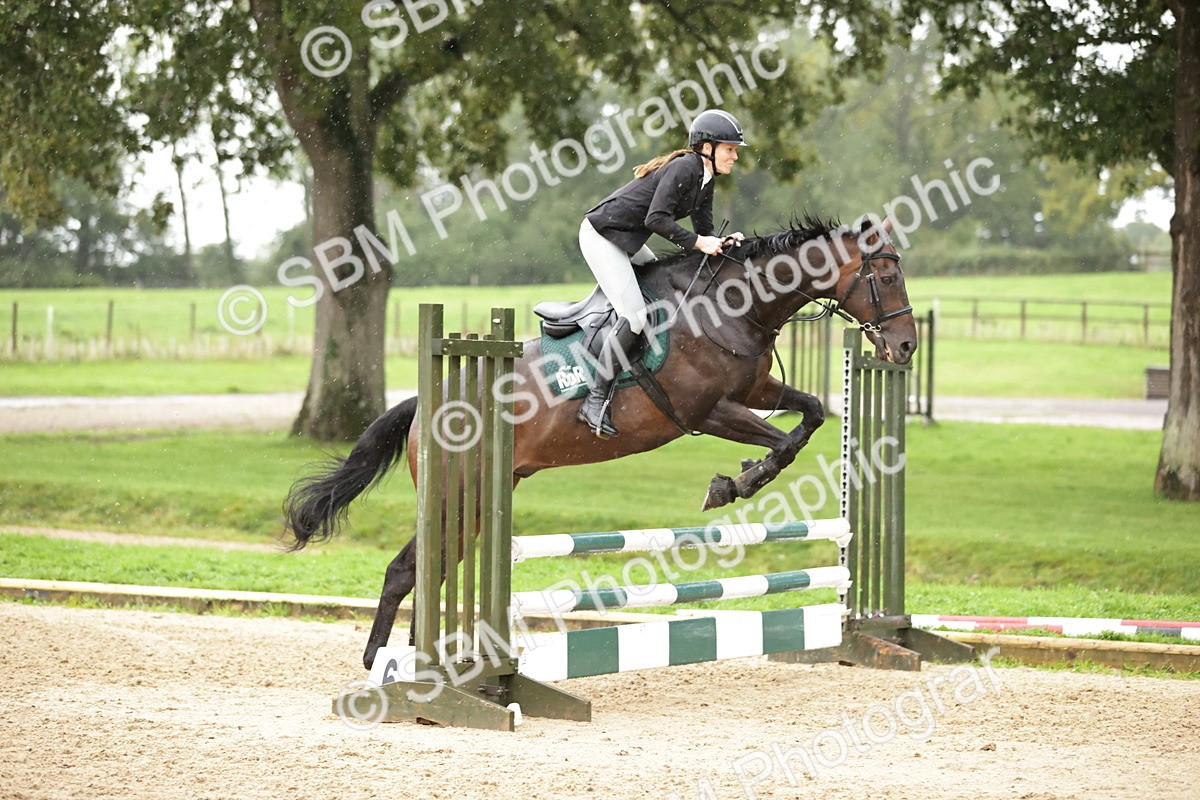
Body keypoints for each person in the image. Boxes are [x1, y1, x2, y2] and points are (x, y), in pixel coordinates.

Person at [576, 109, 747, 438]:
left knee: (661, 292)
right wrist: (700, 242)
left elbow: (702, 233)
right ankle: (594, 402)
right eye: (730, 149)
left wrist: (723, 244)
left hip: (627, 238)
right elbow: (657, 219)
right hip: (602, 235)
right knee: (636, 317)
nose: (735, 156)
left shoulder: (705, 179)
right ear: (707, 148)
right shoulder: (685, 168)